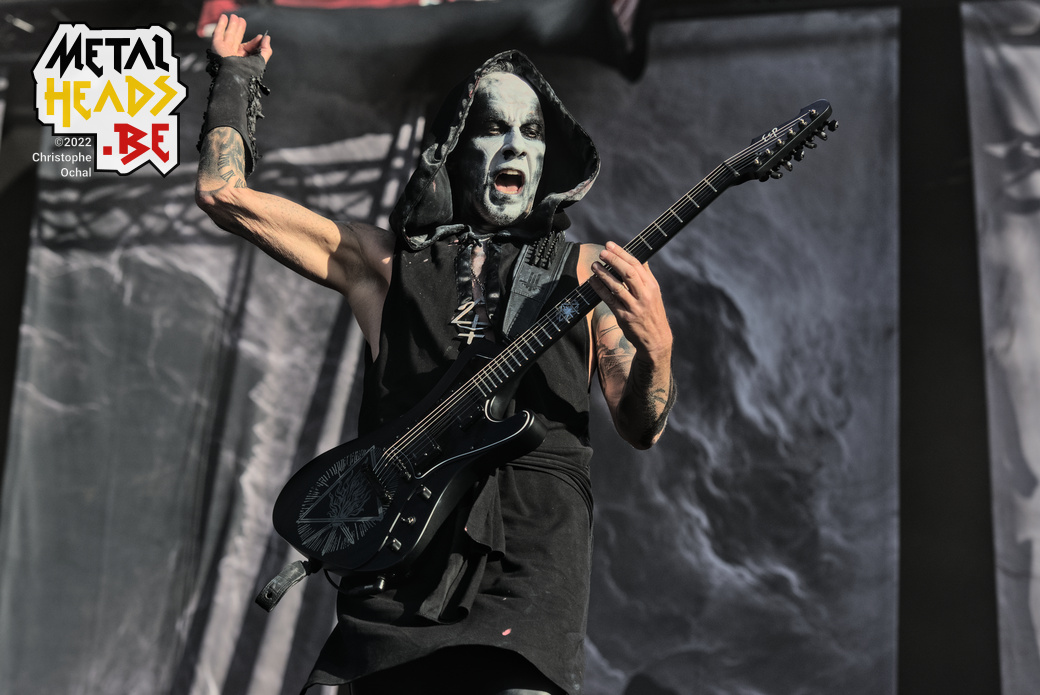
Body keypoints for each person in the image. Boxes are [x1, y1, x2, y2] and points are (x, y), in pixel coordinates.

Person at [195, 14, 675, 695]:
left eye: (532, 132)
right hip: (394, 568)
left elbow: (642, 424)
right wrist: (234, 79)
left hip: (527, 573)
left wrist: (657, 345)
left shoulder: (587, 272)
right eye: (494, 127)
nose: (515, 145)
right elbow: (225, 195)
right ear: (454, 147)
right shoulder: (386, 265)